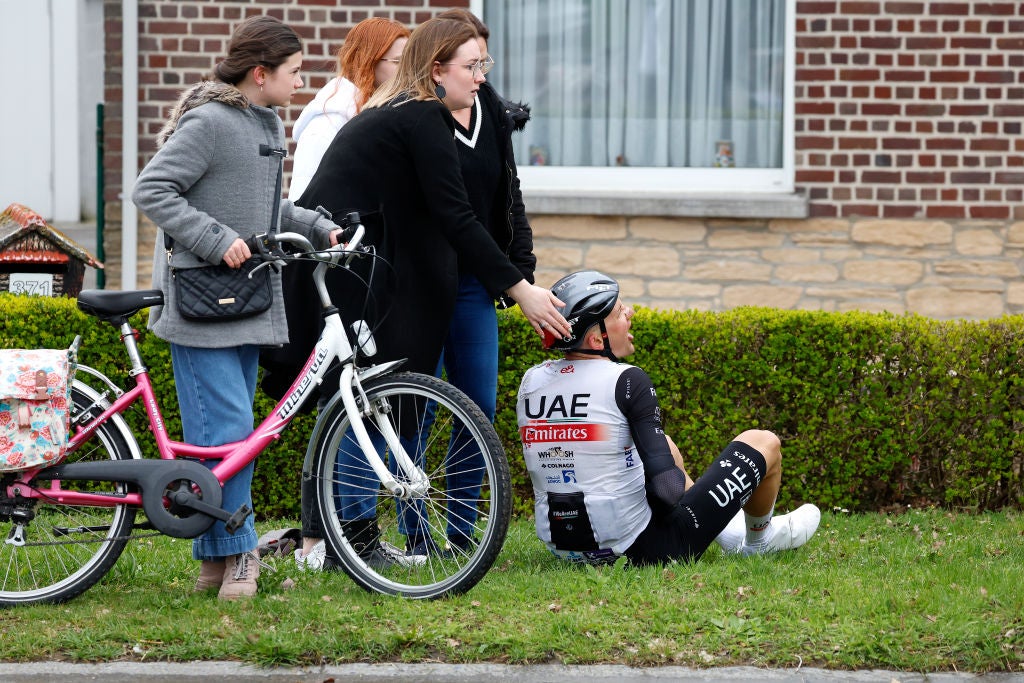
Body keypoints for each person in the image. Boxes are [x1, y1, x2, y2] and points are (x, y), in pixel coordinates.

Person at [289, 16, 571, 570]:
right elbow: (453, 214)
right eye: (471, 65)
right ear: (436, 69)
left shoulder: (483, 106)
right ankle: (383, 539)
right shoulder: (416, 118)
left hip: (469, 277)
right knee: (403, 403)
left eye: (484, 63)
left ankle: (464, 537)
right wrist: (521, 290)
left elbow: (504, 195)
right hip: (408, 276)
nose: (482, 75)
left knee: (476, 406)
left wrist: (520, 269)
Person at [132, 15, 345, 600]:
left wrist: (321, 228)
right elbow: (151, 189)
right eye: (294, 72)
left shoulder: (265, 121)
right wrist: (213, 237)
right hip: (202, 304)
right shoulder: (209, 122)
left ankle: (215, 559)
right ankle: (240, 552)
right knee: (227, 432)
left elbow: (269, 209)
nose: (301, 83)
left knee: (230, 441)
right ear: (260, 72)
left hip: (246, 300)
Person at [516, 271, 821, 566]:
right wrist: (691, 511)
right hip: (641, 550)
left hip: (564, 548)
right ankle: (758, 542)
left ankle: (730, 535)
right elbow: (666, 490)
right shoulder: (627, 379)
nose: (630, 312)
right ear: (597, 339)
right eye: (620, 312)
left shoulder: (532, 380)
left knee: (664, 445)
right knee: (763, 441)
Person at [287, 17, 410, 200]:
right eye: (398, 62)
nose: (407, 71)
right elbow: (303, 203)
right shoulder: (327, 122)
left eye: (409, 62)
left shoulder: (385, 116)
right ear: (369, 61)